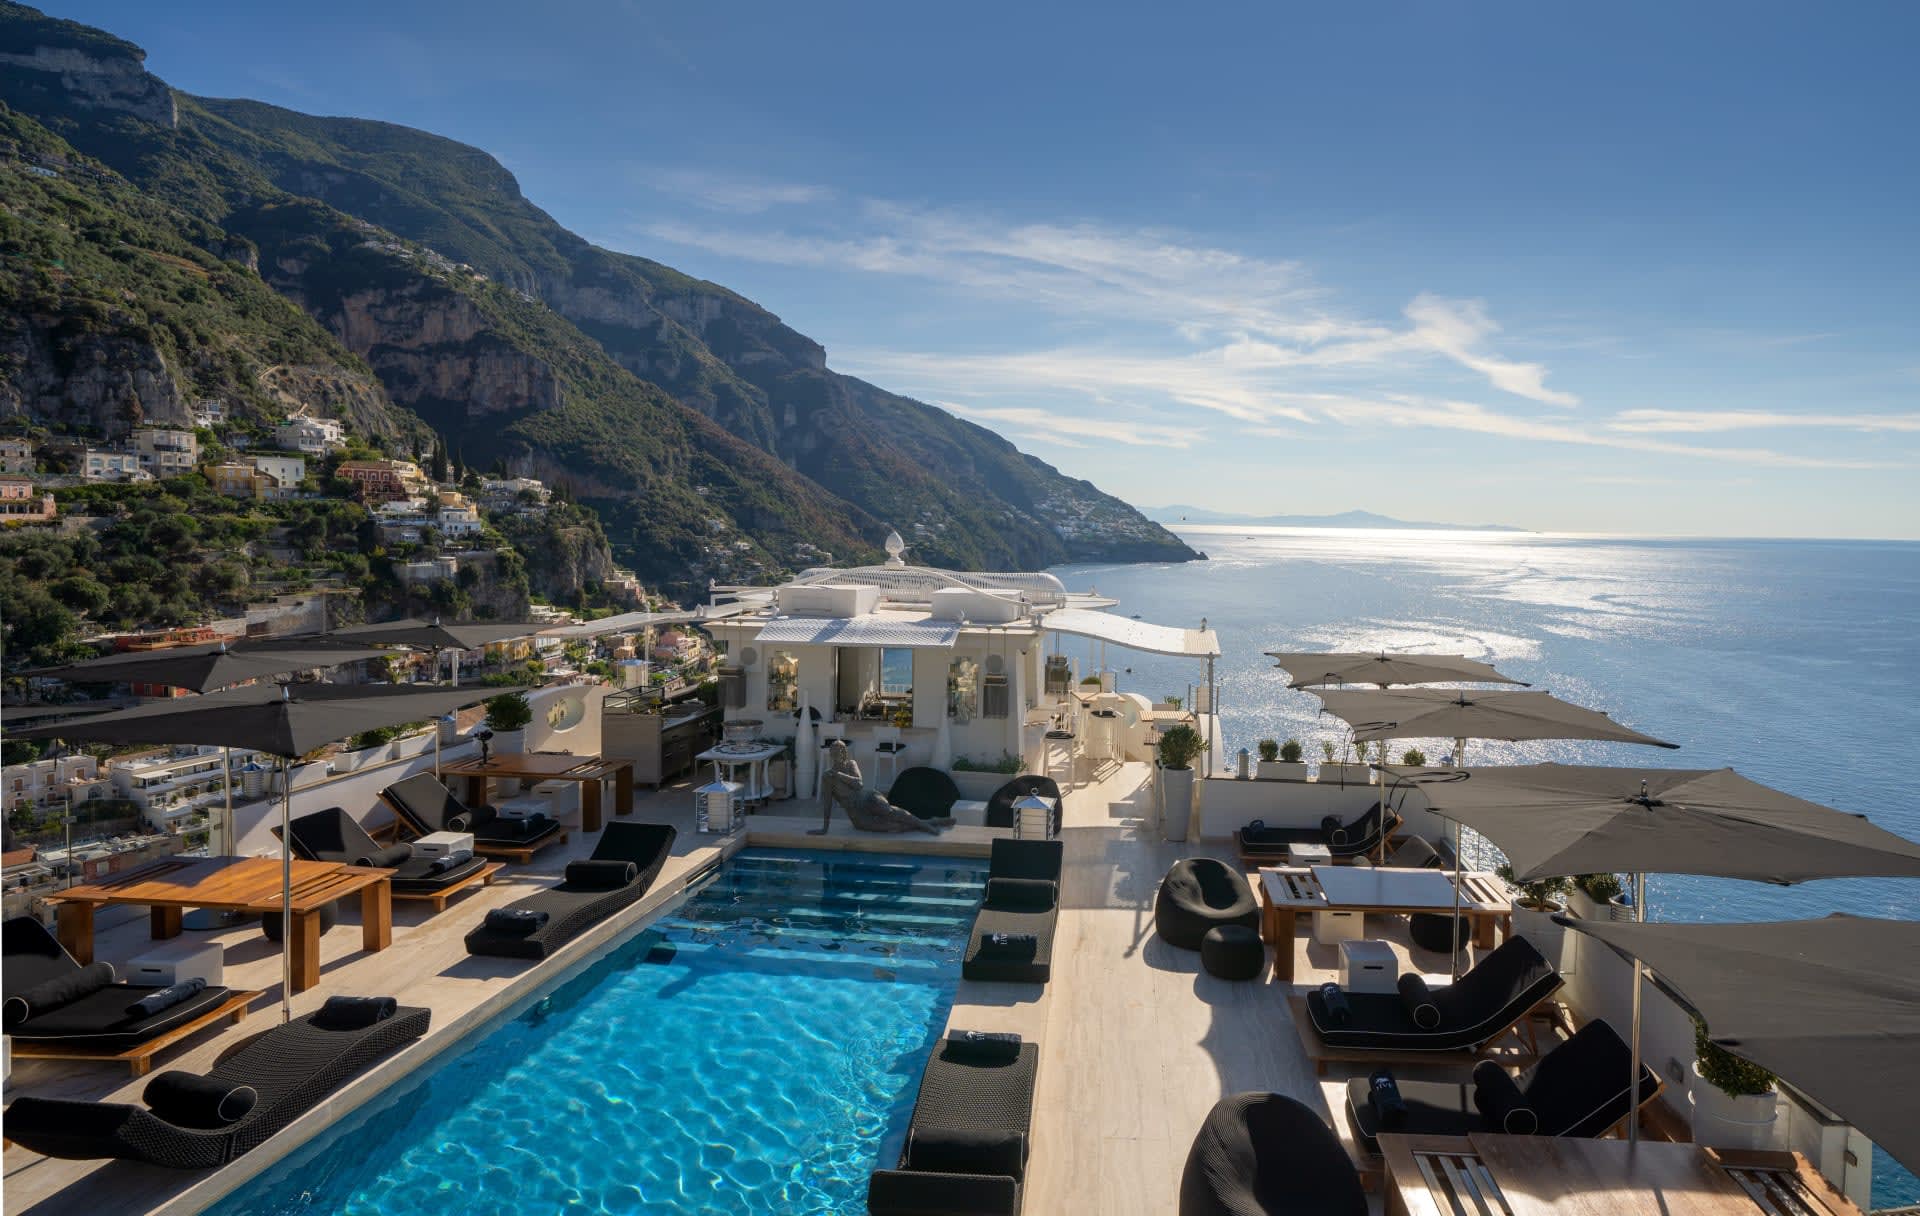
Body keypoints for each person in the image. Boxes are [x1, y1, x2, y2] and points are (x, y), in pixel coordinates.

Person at [811, 739, 946, 835]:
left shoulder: (851, 764)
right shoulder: (827, 777)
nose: (837, 755)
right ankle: (928, 822)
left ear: (844, 753)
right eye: (834, 752)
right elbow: (827, 803)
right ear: (831, 755)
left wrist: (840, 775)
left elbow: (859, 784)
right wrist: (825, 828)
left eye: (840, 751)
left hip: (867, 799)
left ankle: (924, 825)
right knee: (892, 827)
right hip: (856, 814)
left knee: (889, 812)